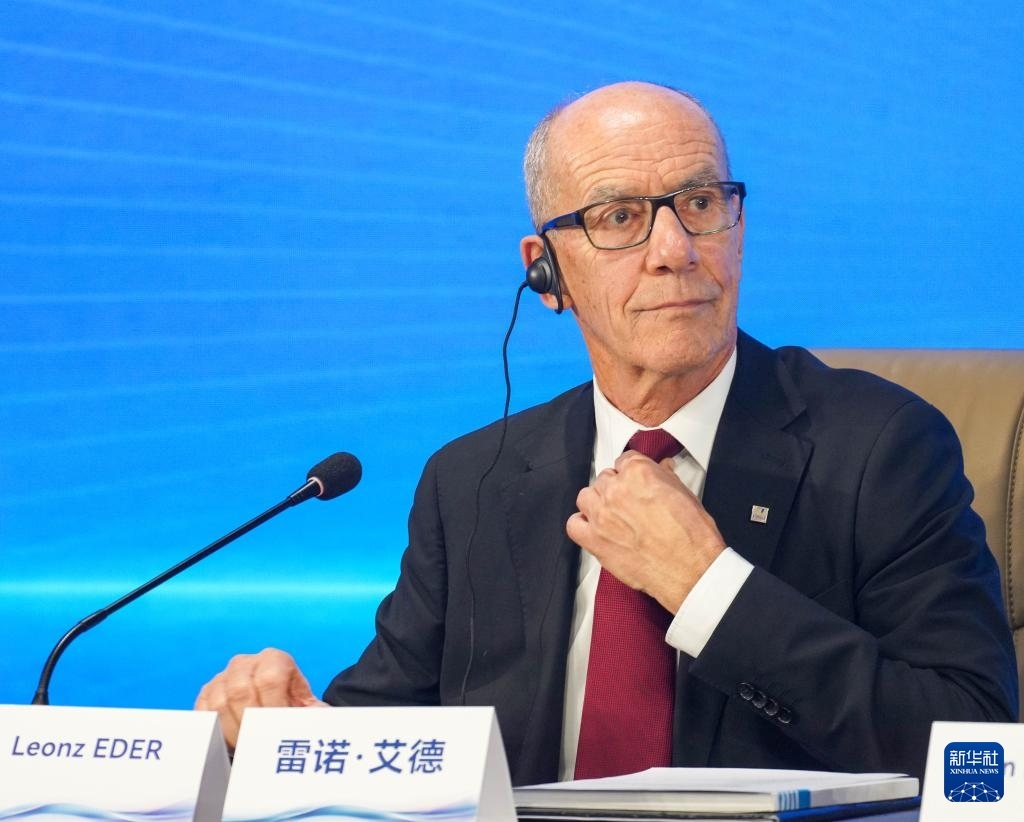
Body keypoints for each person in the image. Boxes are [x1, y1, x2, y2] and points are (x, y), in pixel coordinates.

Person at [196, 81, 1018, 785]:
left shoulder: (879, 448)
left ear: (738, 227)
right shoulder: (473, 483)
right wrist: (273, 731)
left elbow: (974, 748)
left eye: (701, 204)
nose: (675, 250)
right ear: (546, 272)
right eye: (620, 216)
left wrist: (709, 589)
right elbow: (389, 737)